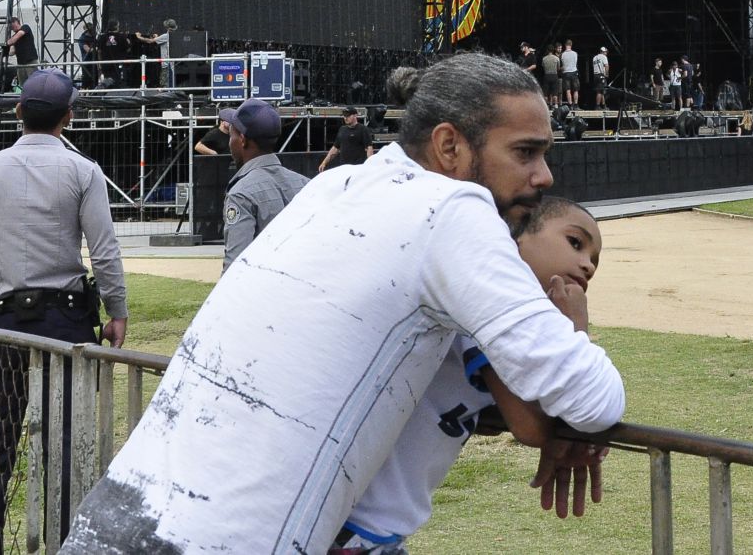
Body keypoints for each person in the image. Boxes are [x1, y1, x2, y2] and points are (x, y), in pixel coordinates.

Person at [61, 53, 625, 555]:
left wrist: (551, 421)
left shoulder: (336, 187)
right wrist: (574, 331)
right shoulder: (453, 210)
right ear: (450, 146)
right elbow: (592, 398)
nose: (544, 175)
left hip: (116, 513)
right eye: (525, 152)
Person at [341, 196, 606, 551]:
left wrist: (573, 433)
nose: (587, 265)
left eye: (594, 261)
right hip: (356, 524)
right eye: (575, 243)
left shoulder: (514, 321)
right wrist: (577, 328)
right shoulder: (485, 307)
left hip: (373, 525)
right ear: (516, 238)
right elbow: (531, 426)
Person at [0, 70, 128, 555]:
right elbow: (104, 250)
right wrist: (117, 310)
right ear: (69, 117)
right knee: (69, 451)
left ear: (19, 112)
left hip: (1, 325)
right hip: (65, 322)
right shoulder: (83, 171)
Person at [220, 100, 310, 271]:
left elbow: (236, 267)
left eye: (232, 136)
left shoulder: (241, 194)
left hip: (264, 292)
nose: (230, 143)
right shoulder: (306, 184)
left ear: (243, 140)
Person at [319, 106, 375, 173]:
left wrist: (370, 166)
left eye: (348, 115)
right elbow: (335, 148)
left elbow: (369, 148)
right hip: (344, 168)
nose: (345, 118)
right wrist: (324, 162)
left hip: (357, 168)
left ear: (355, 115)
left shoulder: (363, 129)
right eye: (344, 116)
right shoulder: (342, 129)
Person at [2, 17, 37, 92]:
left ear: (16, 22)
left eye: (11, 25)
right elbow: (12, 52)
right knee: (23, 84)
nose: (11, 28)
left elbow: (18, 36)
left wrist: (7, 43)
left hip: (30, 62)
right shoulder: (14, 37)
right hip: (21, 64)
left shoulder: (25, 27)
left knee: (33, 83)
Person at [559, 41, 579, 107]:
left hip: (566, 73)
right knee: (576, 89)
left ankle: (570, 105)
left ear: (565, 45)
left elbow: (561, 64)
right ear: (571, 45)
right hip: (574, 72)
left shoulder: (562, 54)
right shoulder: (575, 53)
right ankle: (576, 104)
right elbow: (576, 63)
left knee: (568, 90)